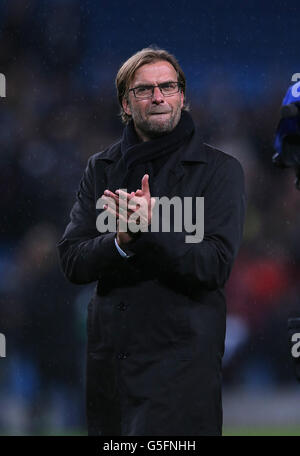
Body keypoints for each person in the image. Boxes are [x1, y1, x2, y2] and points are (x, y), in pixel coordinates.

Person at [57, 47, 246, 436]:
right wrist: (121, 241)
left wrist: (152, 229)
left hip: (183, 369)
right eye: (144, 90)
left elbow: (214, 266)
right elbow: (73, 261)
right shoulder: (101, 168)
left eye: (167, 86)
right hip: (112, 366)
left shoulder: (220, 172)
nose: (158, 96)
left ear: (182, 97)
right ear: (125, 105)